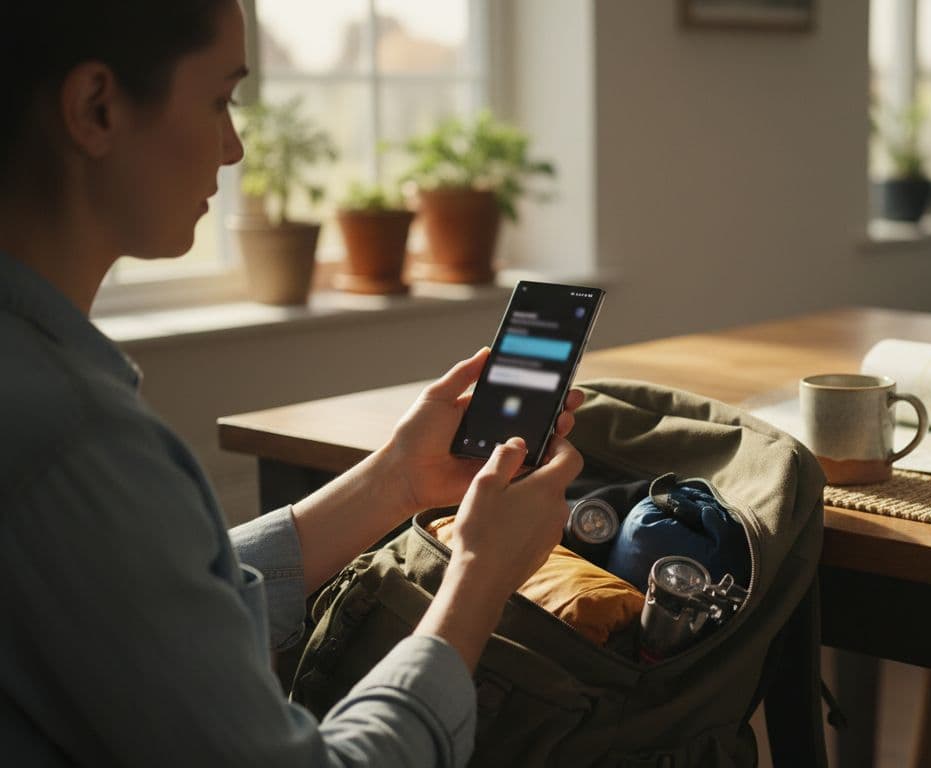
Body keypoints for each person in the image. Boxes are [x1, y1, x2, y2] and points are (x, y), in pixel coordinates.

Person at [0, 1, 584, 765]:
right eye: (219, 100)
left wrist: (394, 483)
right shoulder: (74, 439)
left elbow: (150, 606)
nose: (235, 148)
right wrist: (480, 577)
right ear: (96, 108)